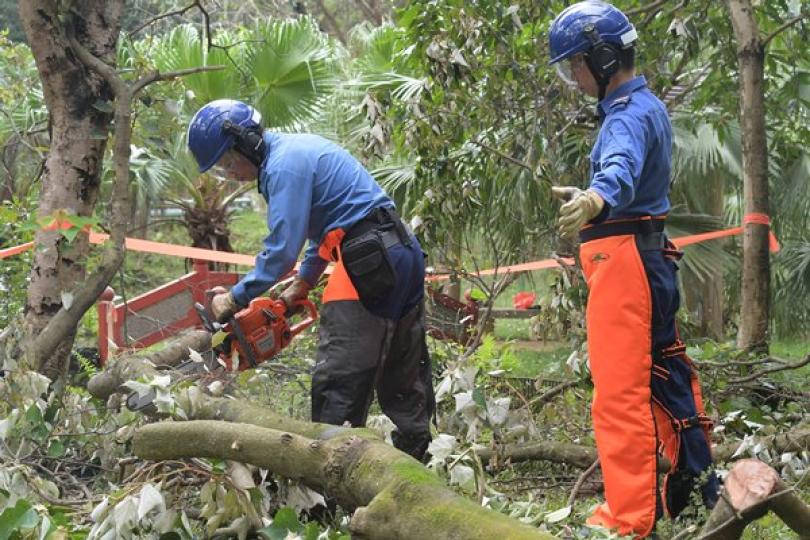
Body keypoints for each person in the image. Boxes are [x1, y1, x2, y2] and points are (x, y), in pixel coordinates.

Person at [548, 2, 719, 537]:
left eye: (574, 65)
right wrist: (595, 195)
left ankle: (627, 520)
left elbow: (620, 170)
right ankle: (699, 488)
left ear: (600, 59)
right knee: (664, 374)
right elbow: (631, 178)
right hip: (644, 259)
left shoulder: (626, 115)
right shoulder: (645, 108)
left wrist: (597, 197)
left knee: (619, 393)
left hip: (628, 266)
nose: (572, 78)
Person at [186, 99, 434, 460]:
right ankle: (417, 459)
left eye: (227, 163)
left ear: (246, 143)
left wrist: (235, 298)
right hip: (401, 250)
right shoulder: (297, 150)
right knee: (403, 370)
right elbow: (325, 229)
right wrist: (303, 282)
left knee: (340, 376)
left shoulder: (282, 167)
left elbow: (281, 251)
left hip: (368, 259)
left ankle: (329, 476)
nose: (231, 173)